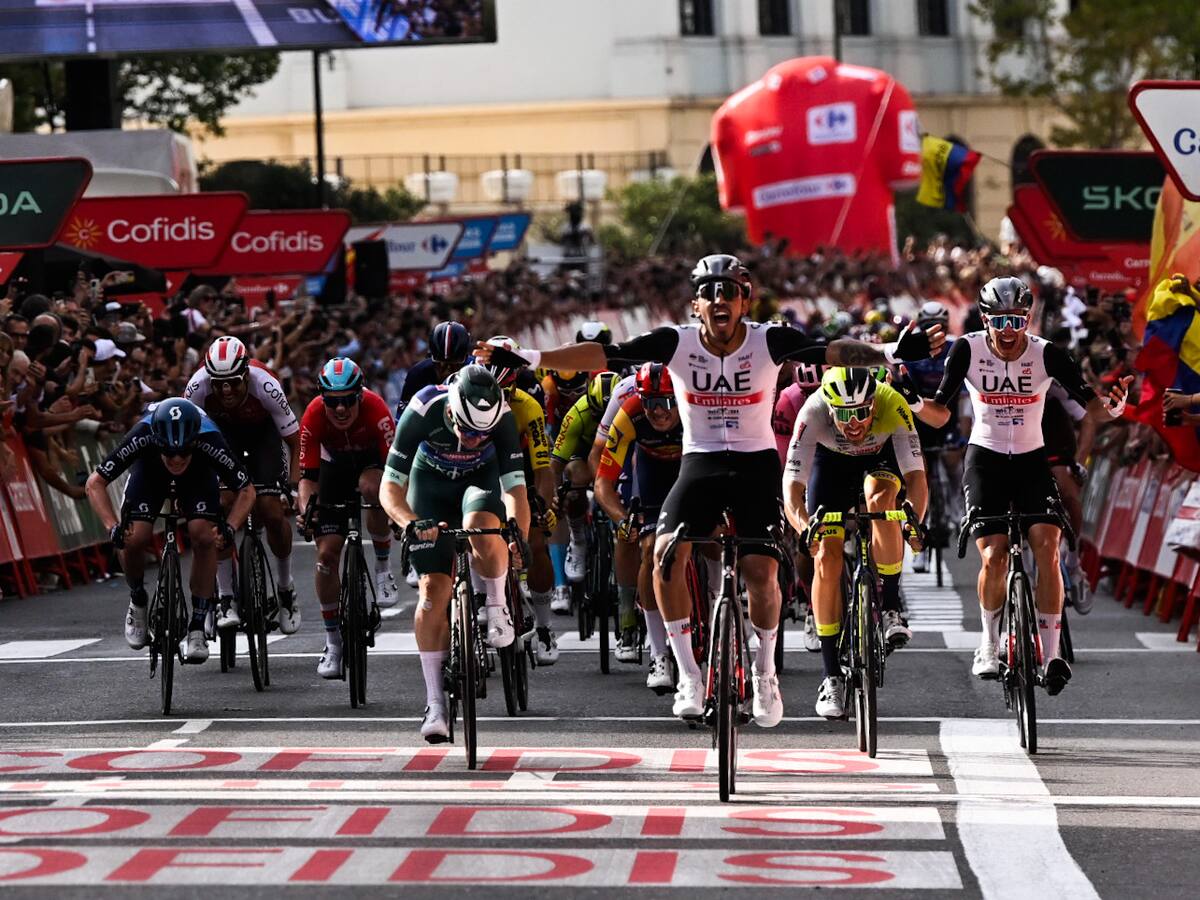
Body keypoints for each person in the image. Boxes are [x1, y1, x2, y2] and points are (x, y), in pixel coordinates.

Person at [475, 252, 944, 726]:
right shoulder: (674, 343)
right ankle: (688, 675)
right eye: (709, 293)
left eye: (729, 292)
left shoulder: (768, 340)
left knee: (762, 572)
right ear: (696, 304)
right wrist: (532, 357)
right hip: (698, 465)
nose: (720, 300)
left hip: (754, 465)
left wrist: (889, 353)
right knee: (663, 555)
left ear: (744, 300)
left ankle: (764, 674)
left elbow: (830, 351)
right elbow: (605, 355)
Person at [914, 276, 1130, 695]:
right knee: (994, 555)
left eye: (1016, 320)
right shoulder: (967, 349)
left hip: (1032, 460)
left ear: (1027, 319)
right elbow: (940, 414)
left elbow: (1092, 408)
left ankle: (1051, 655)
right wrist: (916, 402)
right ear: (984, 319)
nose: (1009, 331)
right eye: (1000, 321)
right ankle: (989, 644)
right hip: (986, 459)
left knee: (1047, 548)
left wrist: (1115, 408)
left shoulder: (1047, 354)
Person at [379, 365, 530, 742]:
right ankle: (435, 703)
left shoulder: (504, 419)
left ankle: (496, 607)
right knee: (432, 590)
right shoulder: (422, 409)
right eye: (466, 429)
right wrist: (409, 523)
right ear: (451, 410)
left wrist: (517, 535)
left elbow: (515, 491)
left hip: (478, 484)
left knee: (486, 525)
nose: (475, 439)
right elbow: (389, 488)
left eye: (484, 433)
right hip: (428, 486)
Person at [782, 368, 927, 719]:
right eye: (844, 414)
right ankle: (831, 676)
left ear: (873, 404)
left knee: (882, 502)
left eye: (862, 412)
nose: (854, 423)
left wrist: (914, 524)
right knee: (826, 558)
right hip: (829, 467)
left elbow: (916, 477)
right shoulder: (812, 412)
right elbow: (792, 488)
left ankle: (891, 605)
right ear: (830, 409)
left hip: (880, 462)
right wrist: (805, 528)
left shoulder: (892, 403)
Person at [85, 398, 255, 664]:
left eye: (183, 452)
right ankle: (138, 599)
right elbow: (95, 483)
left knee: (204, 535)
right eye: (170, 452)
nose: (176, 459)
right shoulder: (143, 433)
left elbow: (246, 490)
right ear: (158, 441)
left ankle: (198, 626)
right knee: (133, 538)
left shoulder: (208, 437)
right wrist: (112, 526)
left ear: (194, 442)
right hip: (149, 474)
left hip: (198, 476)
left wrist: (231, 528)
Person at [185, 336, 303, 634]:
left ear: (247, 374)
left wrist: (292, 487)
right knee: (221, 508)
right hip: (222, 436)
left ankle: (286, 589)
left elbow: (294, 441)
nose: (225, 390)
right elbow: (186, 443)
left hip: (263, 435)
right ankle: (226, 597)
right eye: (219, 383)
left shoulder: (266, 384)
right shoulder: (197, 387)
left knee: (271, 512)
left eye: (234, 383)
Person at [297, 358, 398, 679]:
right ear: (323, 399)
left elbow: (396, 472)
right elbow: (307, 479)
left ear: (360, 395)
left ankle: (383, 569)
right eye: (332, 402)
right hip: (333, 470)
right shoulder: (313, 414)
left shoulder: (377, 408)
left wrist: (398, 510)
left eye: (347, 401)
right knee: (326, 554)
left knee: (373, 488)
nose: (340, 410)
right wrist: (307, 511)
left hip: (371, 464)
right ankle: (333, 643)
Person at [594, 362, 682, 691]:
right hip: (652, 476)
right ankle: (659, 653)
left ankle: (727, 614)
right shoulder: (630, 412)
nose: (658, 412)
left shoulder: (695, 409)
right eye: (651, 403)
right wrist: (622, 518)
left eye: (667, 402)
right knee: (648, 551)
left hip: (691, 468)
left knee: (714, 539)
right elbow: (603, 485)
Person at [480, 336, 561, 664]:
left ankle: (543, 625)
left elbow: (543, 467)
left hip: (519, 471)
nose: (501, 398)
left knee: (537, 543)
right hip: (481, 468)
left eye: (507, 392)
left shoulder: (528, 405)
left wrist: (543, 504)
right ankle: (474, 608)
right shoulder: (463, 397)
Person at [395, 321, 472, 417]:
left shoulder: (477, 370)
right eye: (441, 364)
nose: (447, 370)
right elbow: (402, 419)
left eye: (454, 365)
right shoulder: (417, 374)